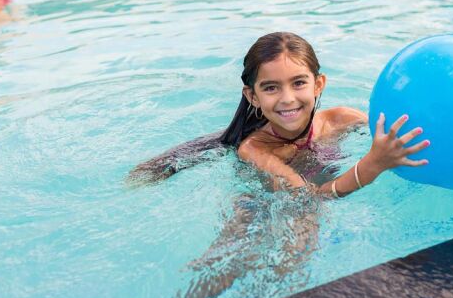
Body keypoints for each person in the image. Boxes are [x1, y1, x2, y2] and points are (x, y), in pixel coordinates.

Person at [131, 32, 429, 199]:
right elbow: (309, 199)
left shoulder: (344, 120)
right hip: (260, 204)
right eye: (271, 87)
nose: (287, 98)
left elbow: (395, 134)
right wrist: (373, 164)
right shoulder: (254, 149)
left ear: (318, 85)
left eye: (299, 83)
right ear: (253, 97)